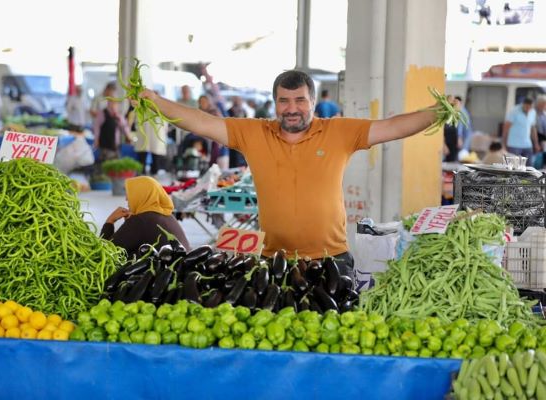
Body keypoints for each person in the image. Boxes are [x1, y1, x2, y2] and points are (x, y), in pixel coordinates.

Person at [137, 69, 440, 280]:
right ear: (275, 103)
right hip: (274, 261)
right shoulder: (253, 133)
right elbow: (201, 122)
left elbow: (393, 127)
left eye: (299, 100)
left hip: (332, 258)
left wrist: (437, 112)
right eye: (284, 101)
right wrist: (156, 101)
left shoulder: (339, 132)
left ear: (312, 102)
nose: (291, 108)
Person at [100, 176, 190, 258]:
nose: (126, 198)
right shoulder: (166, 215)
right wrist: (128, 224)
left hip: (165, 273)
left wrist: (110, 221)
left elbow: (106, 252)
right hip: (182, 270)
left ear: (141, 195)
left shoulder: (140, 220)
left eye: (130, 194)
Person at [502, 97, 540, 165]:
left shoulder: (533, 112)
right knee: (514, 166)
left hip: (527, 144)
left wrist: (536, 143)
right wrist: (504, 144)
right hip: (514, 144)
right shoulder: (514, 111)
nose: (528, 110)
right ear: (523, 104)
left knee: (529, 166)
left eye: (530, 108)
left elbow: (533, 128)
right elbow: (506, 128)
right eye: (527, 107)